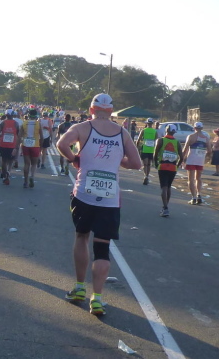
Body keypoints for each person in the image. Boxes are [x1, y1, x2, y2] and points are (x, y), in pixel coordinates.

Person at [56, 93, 142, 316]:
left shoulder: (82, 128)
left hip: (84, 193)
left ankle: (79, 287)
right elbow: (136, 163)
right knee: (102, 247)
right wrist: (118, 160)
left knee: (82, 236)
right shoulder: (122, 133)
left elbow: (61, 144)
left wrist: (75, 159)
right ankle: (97, 299)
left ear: (91, 109)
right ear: (111, 111)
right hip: (109, 198)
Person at [153, 124, 183, 217]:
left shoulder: (160, 140)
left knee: (164, 187)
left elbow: (155, 154)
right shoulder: (177, 142)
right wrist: (177, 166)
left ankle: (165, 208)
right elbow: (181, 157)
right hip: (172, 167)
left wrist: (156, 164)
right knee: (169, 186)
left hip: (162, 166)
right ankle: (165, 206)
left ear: (166, 130)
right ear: (174, 132)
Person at [182, 121, 212, 205]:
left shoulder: (191, 137)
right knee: (198, 178)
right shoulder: (206, 138)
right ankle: (199, 194)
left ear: (194, 128)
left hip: (191, 159)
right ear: (202, 128)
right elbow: (210, 151)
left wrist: (182, 159)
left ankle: (194, 198)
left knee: (190, 179)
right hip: (200, 160)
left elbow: (185, 149)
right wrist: (206, 158)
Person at [0, 109, 21, 185]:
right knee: (11, 160)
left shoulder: (2, 123)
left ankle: (5, 175)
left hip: (3, 144)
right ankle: (8, 171)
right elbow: (18, 135)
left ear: (6, 115)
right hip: (12, 144)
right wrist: (17, 146)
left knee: (4, 160)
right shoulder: (16, 123)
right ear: (13, 115)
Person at [19, 108, 42, 188]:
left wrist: (17, 146)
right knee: (34, 164)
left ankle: (25, 181)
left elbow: (19, 136)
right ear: (36, 116)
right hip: (35, 145)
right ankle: (32, 176)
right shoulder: (38, 124)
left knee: (26, 164)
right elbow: (42, 137)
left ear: (28, 115)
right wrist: (40, 148)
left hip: (25, 145)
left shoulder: (24, 123)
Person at [135, 118, 157, 185]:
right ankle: (147, 176)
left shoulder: (143, 130)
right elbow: (156, 141)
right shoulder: (155, 131)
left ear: (147, 123)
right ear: (152, 124)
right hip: (152, 150)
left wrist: (136, 148)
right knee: (149, 164)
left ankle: (145, 176)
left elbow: (138, 140)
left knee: (145, 164)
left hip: (145, 149)